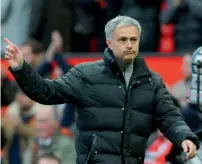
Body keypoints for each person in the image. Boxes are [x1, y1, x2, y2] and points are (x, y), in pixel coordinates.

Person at [4, 15, 200, 164]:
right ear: (109, 43)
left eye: (134, 39)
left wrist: (184, 136)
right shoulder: (85, 74)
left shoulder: (152, 80)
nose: (129, 45)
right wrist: (22, 68)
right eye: (123, 40)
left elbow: (169, 117)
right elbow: (45, 92)